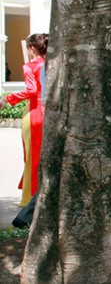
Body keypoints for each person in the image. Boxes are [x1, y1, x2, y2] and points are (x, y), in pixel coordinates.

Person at [0, 33, 47, 207]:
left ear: (32, 48)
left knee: (32, 157)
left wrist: (8, 99)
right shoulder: (51, 64)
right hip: (49, 112)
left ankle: (30, 200)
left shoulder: (31, 66)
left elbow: (31, 90)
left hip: (35, 112)